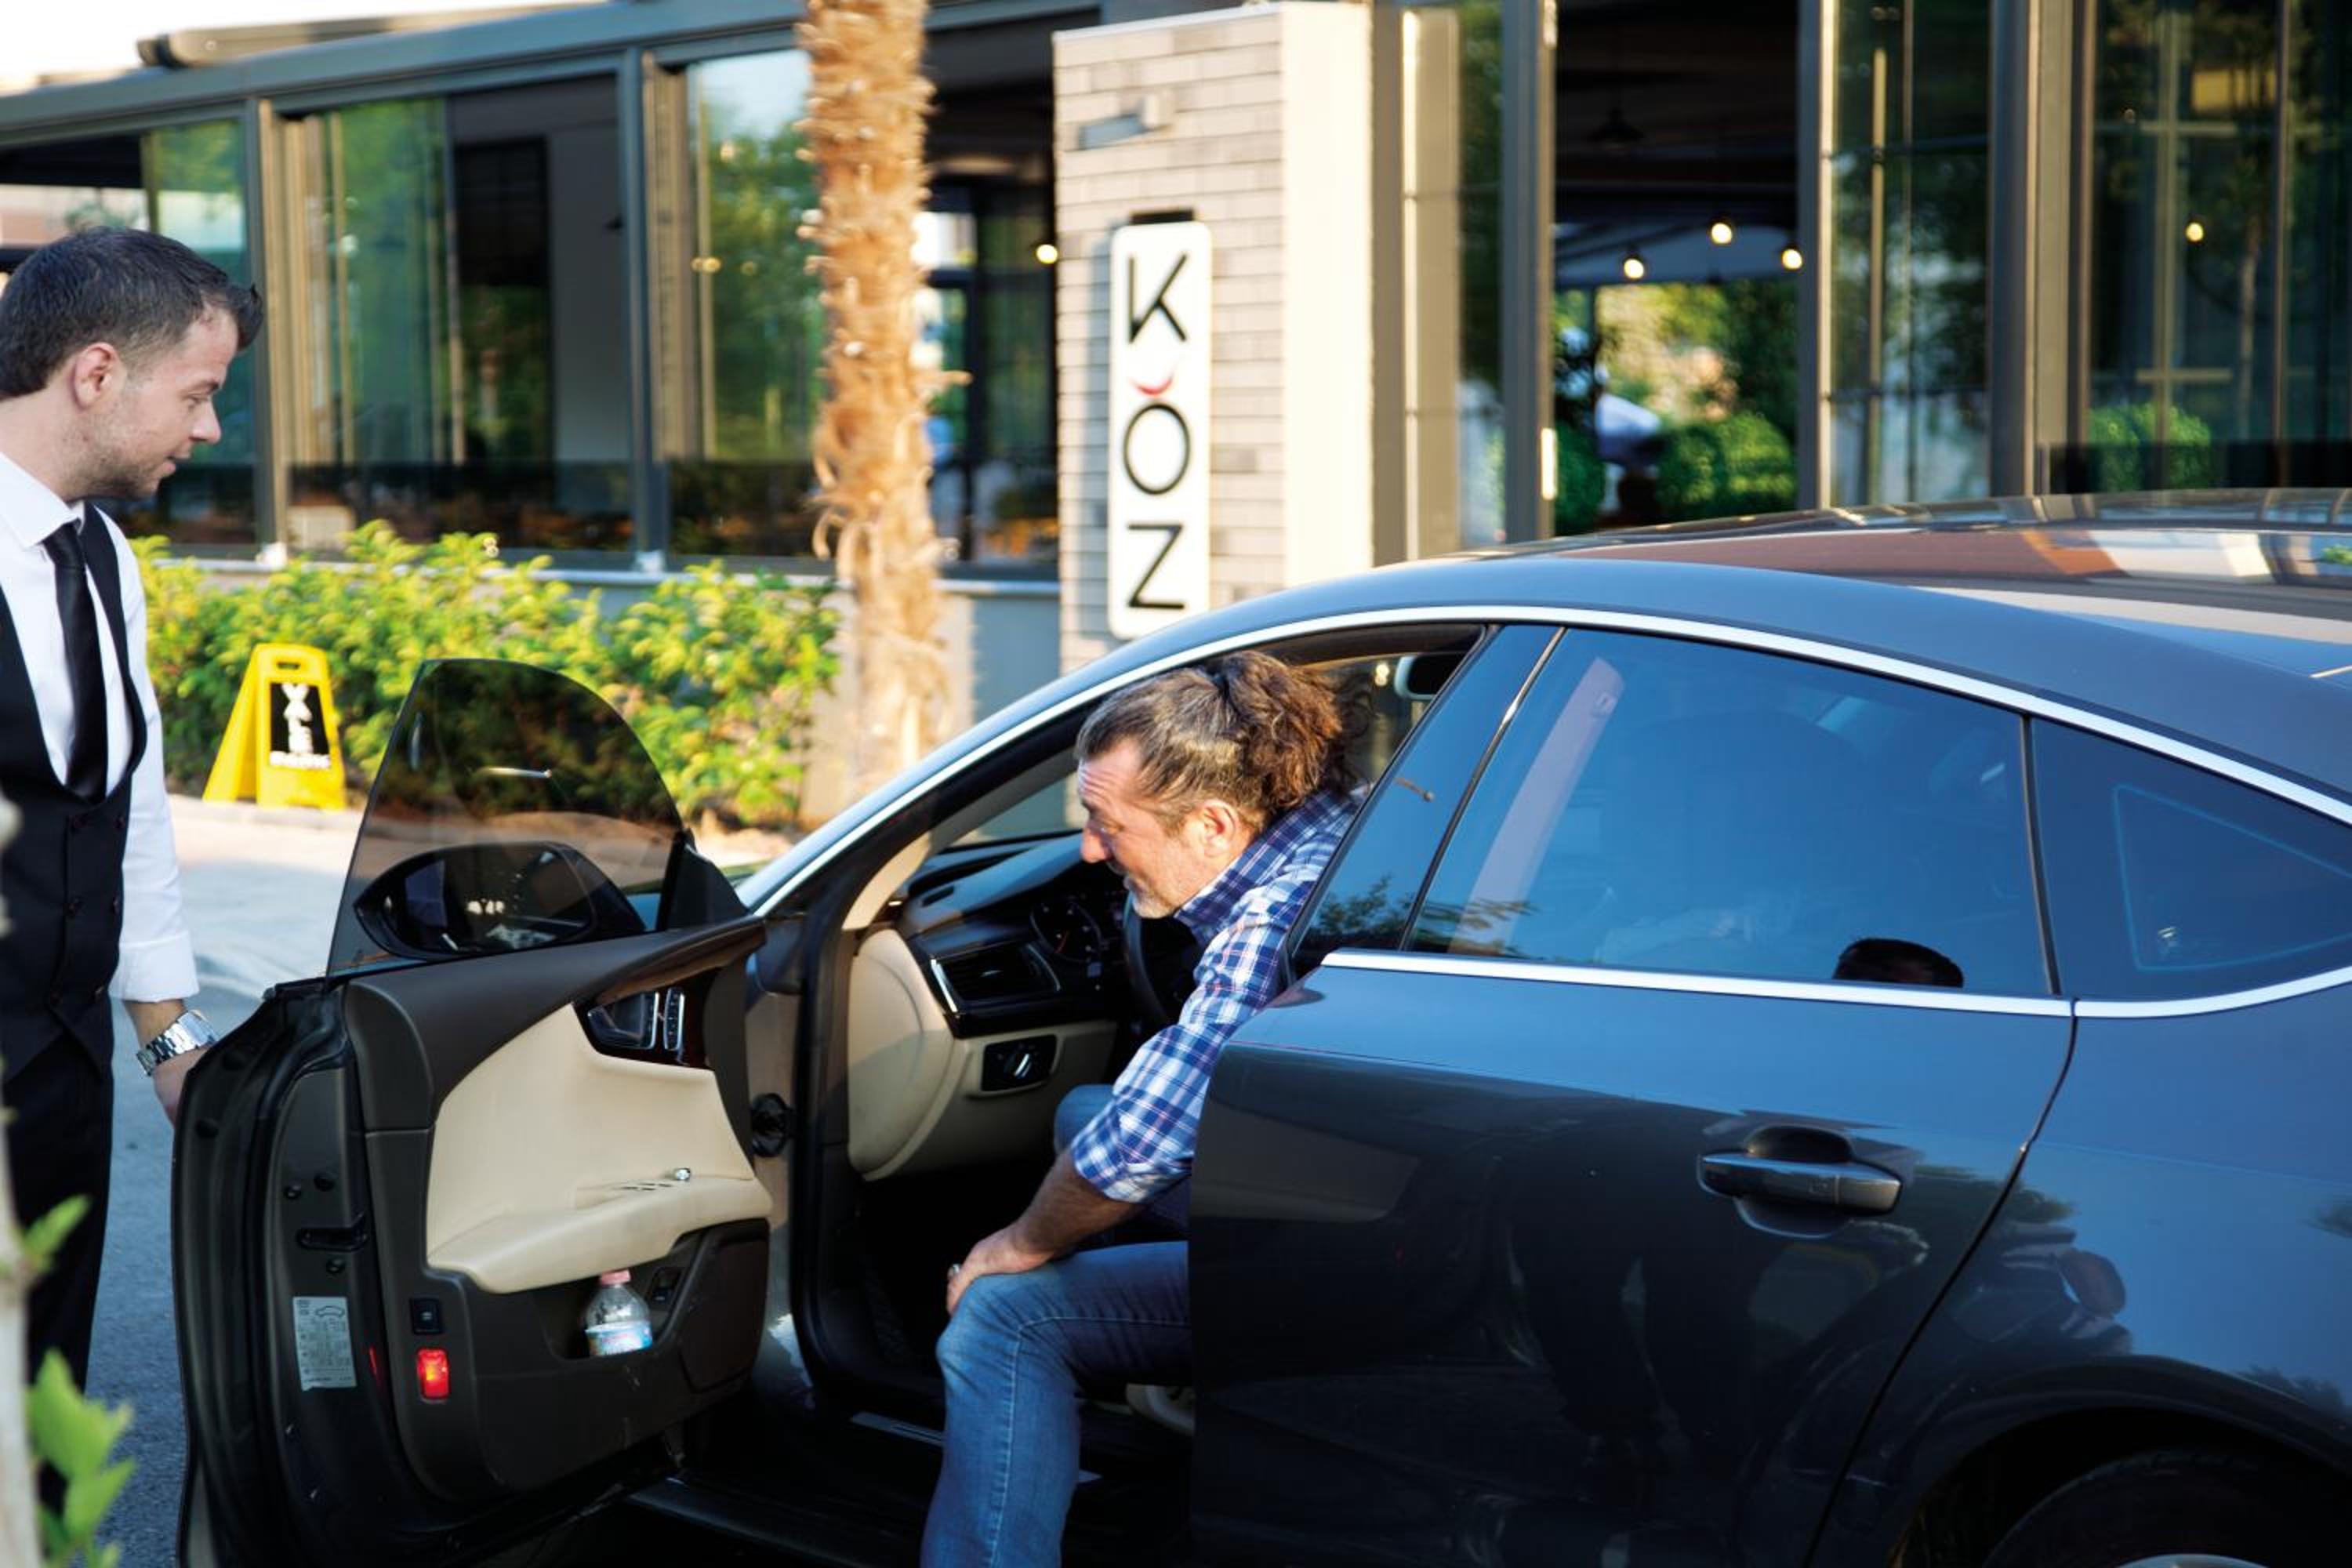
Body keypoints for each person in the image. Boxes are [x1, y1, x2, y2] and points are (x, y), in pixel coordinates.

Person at [924, 652, 1359, 1565]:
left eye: (1106, 823)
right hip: (1380, 1201)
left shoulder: (1273, 922)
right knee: (1086, 1111)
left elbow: (1141, 1147)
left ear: (1213, 824)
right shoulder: (1345, 834)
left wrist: (1016, 1245)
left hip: (1354, 1268)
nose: (1090, 849)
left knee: (1003, 1315)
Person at [0, 227, 261, 1393]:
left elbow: (129, 804)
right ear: (96, 374)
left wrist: (166, 1036)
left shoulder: (105, 554)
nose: (211, 429)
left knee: (41, 1395)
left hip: (63, 1073)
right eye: (198, 394)